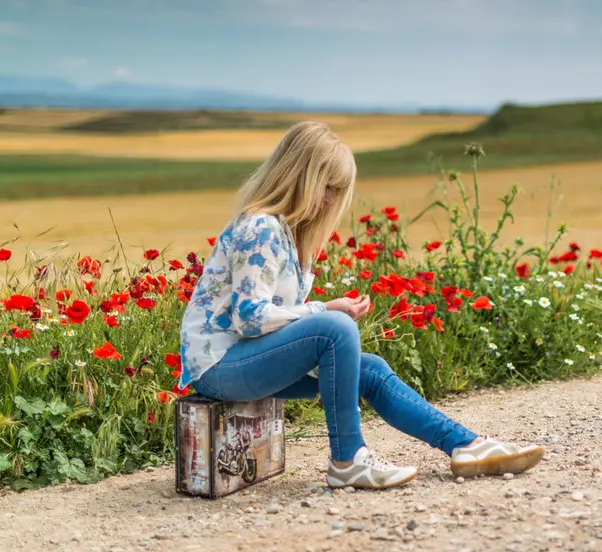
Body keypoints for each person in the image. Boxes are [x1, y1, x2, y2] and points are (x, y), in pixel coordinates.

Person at [177, 121, 544, 490]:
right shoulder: (261, 227)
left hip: (248, 359)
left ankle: (465, 445)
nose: (332, 200)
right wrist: (325, 310)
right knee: (335, 329)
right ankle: (348, 460)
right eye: (329, 188)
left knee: (368, 368)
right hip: (219, 366)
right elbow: (249, 319)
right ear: (302, 177)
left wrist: (323, 314)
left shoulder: (288, 235)